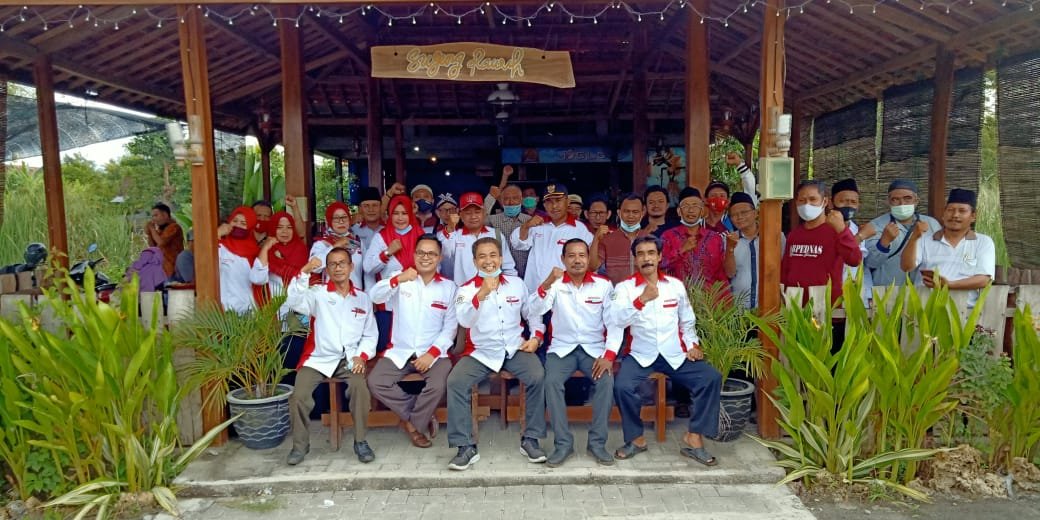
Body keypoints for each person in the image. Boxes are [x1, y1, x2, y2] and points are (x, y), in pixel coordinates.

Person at [611, 236, 722, 466]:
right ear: (635, 259)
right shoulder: (624, 288)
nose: (646, 258)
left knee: (711, 378)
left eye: (651, 253)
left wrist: (692, 346)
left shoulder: (675, 285)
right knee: (622, 386)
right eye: (641, 254)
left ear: (660, 257)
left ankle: (694, 436)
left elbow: (687, 320)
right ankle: (636, 438)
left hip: (674, 353)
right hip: (640, 354)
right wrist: (641, 300)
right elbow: (617, 320)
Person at [445, 237, 547, 471]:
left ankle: (531, 439)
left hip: (514, 348)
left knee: (537, 376)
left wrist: (536, 337)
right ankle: (465, 446)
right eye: (482, 256)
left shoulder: (516, 284)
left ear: (501, 258)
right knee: (455, 382)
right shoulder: (465, 289)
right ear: (474, 261)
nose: (488, 261)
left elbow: (531, 313)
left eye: (493, 255)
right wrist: (481, 294)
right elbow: (464, 320)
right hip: (482, 352)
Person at [526, 239, 621, 467]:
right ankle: (563, 443)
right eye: (571, 256)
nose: (577, 260)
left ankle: (597, 443)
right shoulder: (556, 284)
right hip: (562, 348)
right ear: (563, 259)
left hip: (594, 348)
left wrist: (609, 356)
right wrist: (547, 283)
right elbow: (534, 310)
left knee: (606, 382)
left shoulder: (603, 285)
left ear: (588, 259)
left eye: (581, 255)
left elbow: (615, 322)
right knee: (551, 382)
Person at [285, 249, 377, 465]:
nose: (338, 268)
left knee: (359, 388)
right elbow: (294, 301)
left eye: (342, 263)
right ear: (327, 269)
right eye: (333, 264)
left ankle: (360, 441)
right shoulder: (317, 294)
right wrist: (305, 272)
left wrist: (362, 356)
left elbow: (370, 334)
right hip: (319, 357)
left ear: (351, 267)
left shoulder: (362, 298)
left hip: (350, 358)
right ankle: (300, 446)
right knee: (299, 396)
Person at [368, 234, 458, 448]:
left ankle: (413, 424)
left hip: (434, 353)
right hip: (401, 350)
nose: (426, 257)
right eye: (421, 253)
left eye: (431, 254)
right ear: (414, 254)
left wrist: (432, 354)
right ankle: (418, 416)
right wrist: (397, 279)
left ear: (439, 258)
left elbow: (450, 328)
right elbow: (375, 296)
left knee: (438, 385)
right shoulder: (401, 278)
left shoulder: (449, 287)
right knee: (376, 382)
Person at [900, 188, 995, 308]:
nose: (955, 215)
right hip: (925, 309)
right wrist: (914, 238)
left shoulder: (983, 242)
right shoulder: (924, 240)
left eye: (962, 211)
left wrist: (948, 285)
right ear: (943, 214)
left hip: (965, 310)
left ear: (973, 216)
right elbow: (907, 267)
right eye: (950, 210)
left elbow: (984, 279)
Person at [781, 180, 863, 304]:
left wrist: (842, 231)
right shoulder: (794, 235)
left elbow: (854, 259)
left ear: (824, 202)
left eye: (812, 199)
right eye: (802, 200)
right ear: (796, 202)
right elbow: (785, 269)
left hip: (827, 307)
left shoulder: (836, 231)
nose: (807, 204)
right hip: (795, 306)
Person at [511, 183, 594, 295]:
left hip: (565, 293)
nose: (554, 206)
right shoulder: (537, 224)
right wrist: (526, 226)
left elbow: (590, 261)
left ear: (567, 202)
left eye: (558, 200)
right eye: (549, 202)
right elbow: (517, 243)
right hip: (536, 290)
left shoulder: (580, 229)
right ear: (544, 205)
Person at [862, 180, 942, 287]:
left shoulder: (932, 224)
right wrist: (884, 242)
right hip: (887, 290)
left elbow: (942, 257)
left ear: (916, 201)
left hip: (922, 290)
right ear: (888, 202)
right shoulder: (876, 225)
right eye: (895, 199)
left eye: (907, 198)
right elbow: (870, 263)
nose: (902, 204)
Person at [660, 187, 734, 291]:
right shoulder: (668, 236)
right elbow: (659, 265)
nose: (691, 210)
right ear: (679, 211)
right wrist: (681, 250)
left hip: (708, 299)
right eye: (686, 206)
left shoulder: (715, 238)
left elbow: (721, 275)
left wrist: (725, 300)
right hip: (677, 297)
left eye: (695, 206)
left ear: (702, 211)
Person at [440, 192, 517, 286]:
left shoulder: (496, 234)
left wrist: (511, 287)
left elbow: (508, 267)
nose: (473, 216)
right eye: (468, 213)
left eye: (477, 212)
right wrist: (451, 227)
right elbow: (445, 257)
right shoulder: (454, 236)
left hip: (493, 290)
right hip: (463, 291)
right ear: (460, 215)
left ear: (484, 213)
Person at [728, 193, 784, 309]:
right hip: (739, 309)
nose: (739, 217)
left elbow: (784, 267)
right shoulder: (729, 240)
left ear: (755, 213)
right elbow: (729, 273)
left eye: (744, 212)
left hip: (770, 308)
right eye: (734, 215)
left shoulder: (775, 237)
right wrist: (730, 248)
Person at [831, 179, 872, 304]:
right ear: (831, 203)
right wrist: (860, 237)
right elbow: (838, 258)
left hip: (854, 297)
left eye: (853, 202)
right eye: (843, 201)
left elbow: (862, 266)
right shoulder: (824, 229)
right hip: (829, 296)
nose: (848, 205)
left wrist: (869, 295)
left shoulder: (857, 229)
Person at [251, 211, 309, 300]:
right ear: (273, 228)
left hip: (299, 302)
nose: (284, 231)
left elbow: (303, 277)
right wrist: (265, 248)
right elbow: (257, 278)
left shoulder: (301, 249)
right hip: (273, 304)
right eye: (279, 227)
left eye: (289, 227)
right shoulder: (267, 251)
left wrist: (280, 262)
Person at [592, 194, 648, 285]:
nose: (630, 215)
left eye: (635, 212)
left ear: (642, 213)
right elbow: (592, 267)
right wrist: (596, 239)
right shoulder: (607, 239)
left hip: (644, 291)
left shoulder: (650, 239)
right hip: (616, 292)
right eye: (626, 211)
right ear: (619, 213)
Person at [216, 206, 263, 314]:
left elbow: (259, 280)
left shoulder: (256, 252)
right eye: (235, 221)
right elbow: (205, 267)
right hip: (224, 310)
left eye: (243, 223)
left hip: (249, 311)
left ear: (250, 227)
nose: (237, 225)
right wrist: (217, 234)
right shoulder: (220, 246)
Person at [309, 202, 363, 289]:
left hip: (356, 294)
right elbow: (313, 267)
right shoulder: (322, 244)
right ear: (329, 220)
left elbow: (367, 271)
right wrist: (335, 246)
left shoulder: (358, 241)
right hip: (331, 295)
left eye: (344, 217)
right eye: (336, 218)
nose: (341, 221)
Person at [487, 184, 532, 278]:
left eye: (515, 198)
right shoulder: (492, 220)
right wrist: (490, 198)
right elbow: (478, 218)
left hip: (527, 275)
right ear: (502, 201)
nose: (511, 202)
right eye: (506, 199)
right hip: (501, 275)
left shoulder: (529, 221)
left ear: (521, 200)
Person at [146, 203, 184, 278]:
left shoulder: (174, 227)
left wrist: (152, 229)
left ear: (165, 215)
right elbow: (153, 248)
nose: (153, 219)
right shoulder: (161, 230)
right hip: (162, 271)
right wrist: (149, 234)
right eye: (152, 216)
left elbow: (161, 242)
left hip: (173, 270)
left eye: (156, 215)